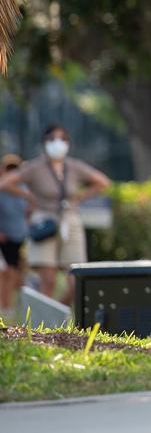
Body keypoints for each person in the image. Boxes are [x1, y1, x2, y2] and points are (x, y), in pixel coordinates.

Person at [0, 124, 111, 305]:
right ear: (44, 142)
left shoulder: (74, 166)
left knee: (76, 281)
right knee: (48, 281)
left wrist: (81, 197)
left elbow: (103, 182)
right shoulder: (35, 167)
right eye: (52, 139)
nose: (57, 144)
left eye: (62, 139)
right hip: (44, 221)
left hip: (70, 220)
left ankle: (57, 315)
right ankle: (44, 326)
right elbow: (5, 183)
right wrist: (29, 195)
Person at [0, 153, 29, 315]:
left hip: (19, 235)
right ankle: (5, 306)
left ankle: (9, 305)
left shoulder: (24, 190)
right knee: (6, 272)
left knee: (16, 274)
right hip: (4, 236)